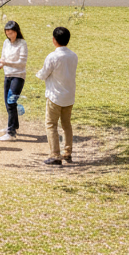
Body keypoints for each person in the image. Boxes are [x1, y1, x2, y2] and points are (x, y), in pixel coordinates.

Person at [36, 26, 78, 166]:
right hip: (69, 96)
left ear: (54, 40)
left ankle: (55, 154)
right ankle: (68, 152)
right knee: (66, 124)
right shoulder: (73, 55)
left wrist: (38, 74)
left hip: (55, 96)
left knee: (51, 124)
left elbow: (44, 73)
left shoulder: (53, 56)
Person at [0, 20, 28, 141]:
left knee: (11, 102)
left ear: (16, 32)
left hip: (18, 76)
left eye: (11, 33)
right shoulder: (6, 42)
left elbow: (22, 63)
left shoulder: (22, 43)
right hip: (8, 75)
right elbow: (2, 59)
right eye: (7, 33)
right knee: (8, 103)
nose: (9, 35)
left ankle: (11, 133)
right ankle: (13, 125)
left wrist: (6, 63)